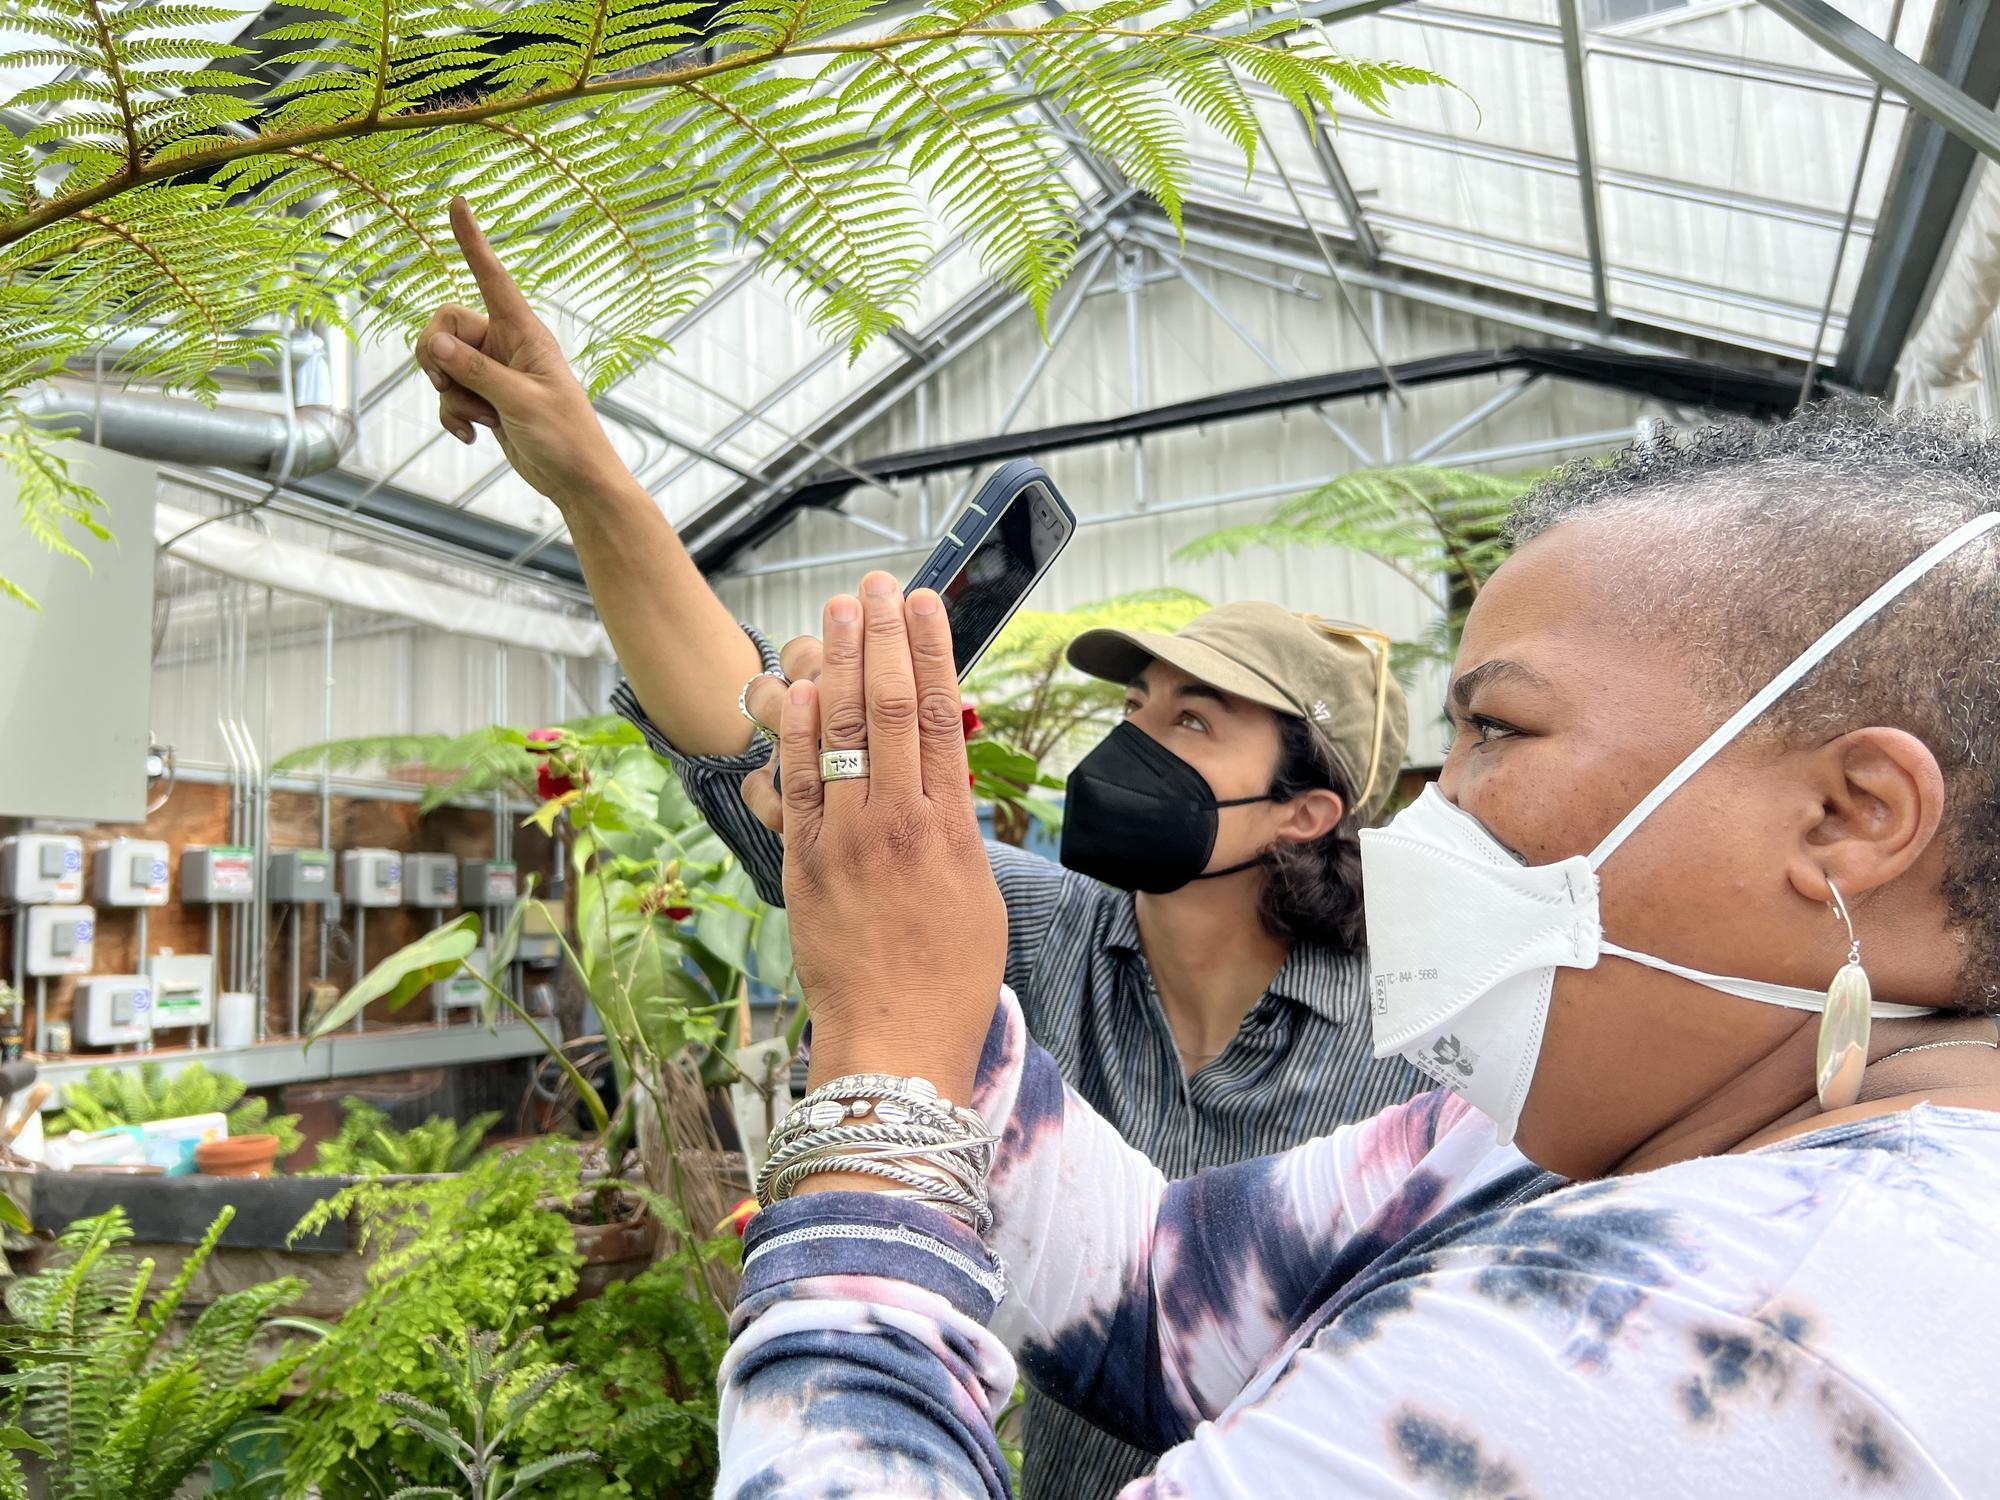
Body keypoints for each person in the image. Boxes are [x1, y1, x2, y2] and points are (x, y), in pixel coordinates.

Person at [714, 402, 2000, 1497]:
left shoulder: (1738, 1327)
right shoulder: (1586, 1122)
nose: (1439, 810)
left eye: (1495, 728)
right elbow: (1171, 1296)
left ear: (1848, 817)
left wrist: (879, 1074)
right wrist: (926, 983)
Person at [411, 200, 1423, 1497]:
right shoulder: (1032, 931)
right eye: (1134, 712)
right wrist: (588, 474)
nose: (1134, 750)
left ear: (1306, 811)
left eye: (1193, 724)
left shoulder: (1414, 1045)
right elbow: (744, 740)